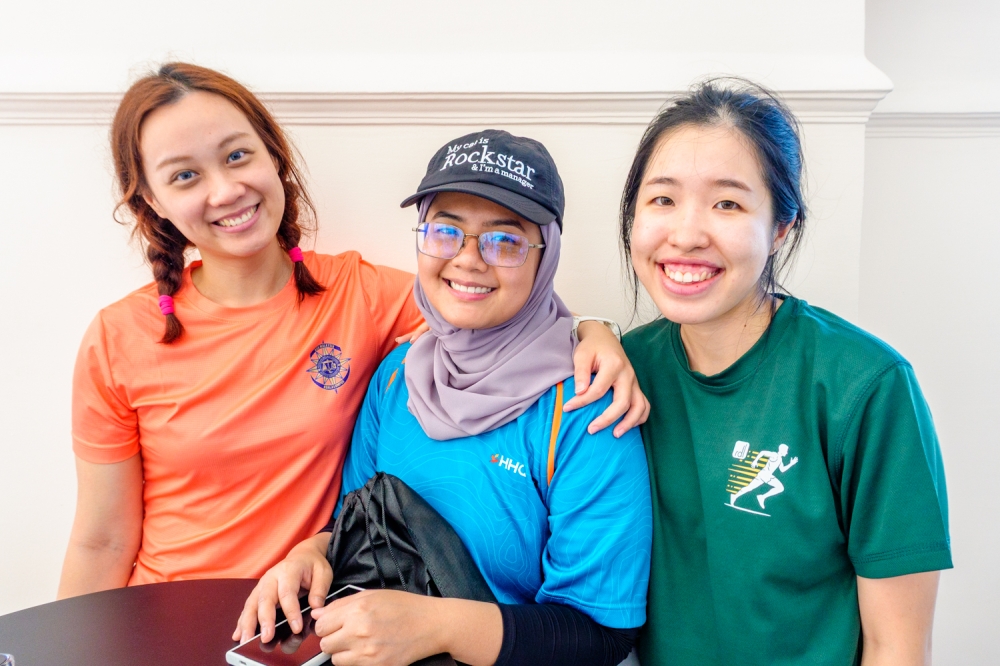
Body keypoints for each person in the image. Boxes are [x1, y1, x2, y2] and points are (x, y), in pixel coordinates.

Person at [58, 64, 647, 597]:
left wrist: (594, 331)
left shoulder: (361, 297)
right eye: (184, 175)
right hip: (161, 617)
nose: (225, 190)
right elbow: (103, 542)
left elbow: (493, 310)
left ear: (274, 157)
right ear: (151, 200)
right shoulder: (119, 337)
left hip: (302, 624)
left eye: (238, 156)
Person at [236, 130, 652, 666]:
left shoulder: (588, 403)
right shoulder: (397, 375)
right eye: (444, 231)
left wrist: (439, 628)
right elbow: (357, 525)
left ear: (545, 257)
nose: (468, 259)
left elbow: (601, 631)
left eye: (505, 240)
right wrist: (309, 553)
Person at [619, 80, 952, 665]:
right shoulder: (623, 371)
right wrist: (586, 329)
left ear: (781, 227)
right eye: (663, 199)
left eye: (728, 203)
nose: (686, 235)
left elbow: (897, 646)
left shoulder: (865, 384)